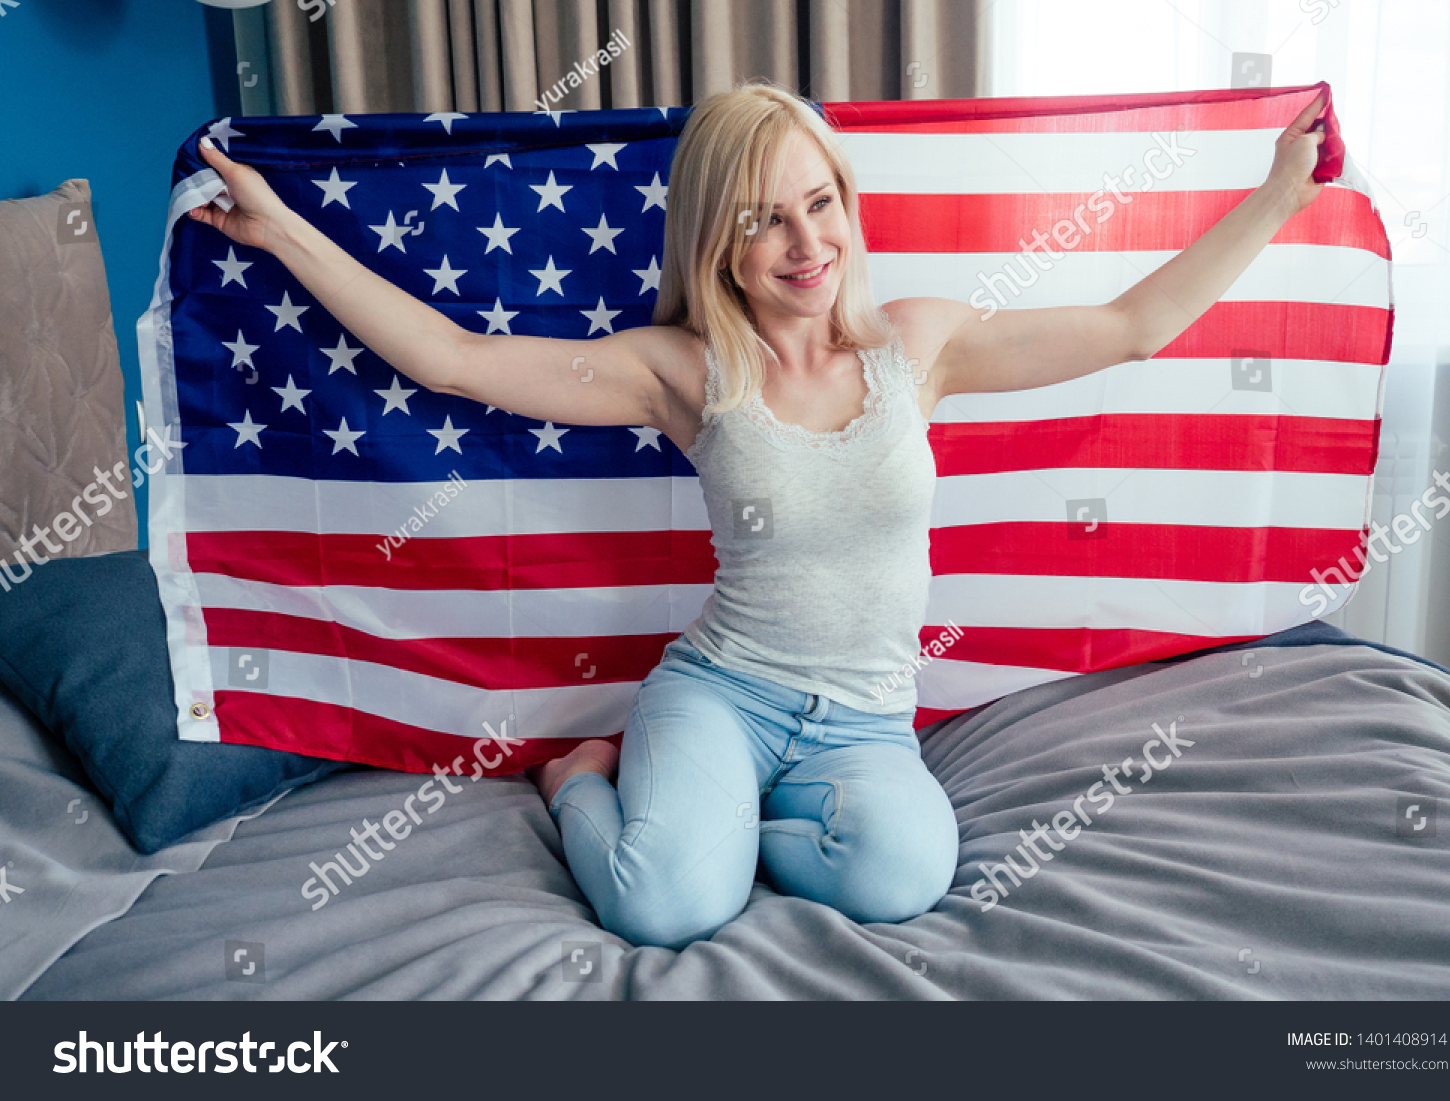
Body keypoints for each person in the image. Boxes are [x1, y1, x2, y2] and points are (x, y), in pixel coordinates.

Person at [189, 78, 1328, 948]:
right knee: (661, 907)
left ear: (846, 199)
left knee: (904, 878)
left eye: (819, 202)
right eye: (763, 220)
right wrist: (286, 230)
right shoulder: (682, 370)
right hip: (722, 694)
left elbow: (1133, 326)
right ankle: (580, 777)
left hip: (868, 724)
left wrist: (1280, 190)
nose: (805, 244)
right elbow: (453, 362)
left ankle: (737, 831)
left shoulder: (920, 347)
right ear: (718, 244)